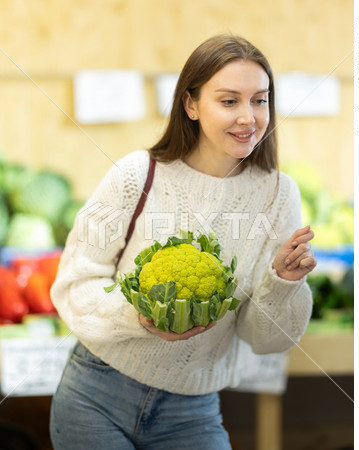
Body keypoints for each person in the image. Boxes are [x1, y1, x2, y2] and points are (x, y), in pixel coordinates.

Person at [50, 34, 316, 449]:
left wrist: (283, 283)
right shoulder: (135, 175)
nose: (248, 117)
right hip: (96, 394)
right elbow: (72, 285)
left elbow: (266, 340)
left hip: (192, 411)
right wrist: (140, 316)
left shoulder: (280, 197)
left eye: (260, 100)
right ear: (190, 105)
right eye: (229, 101)